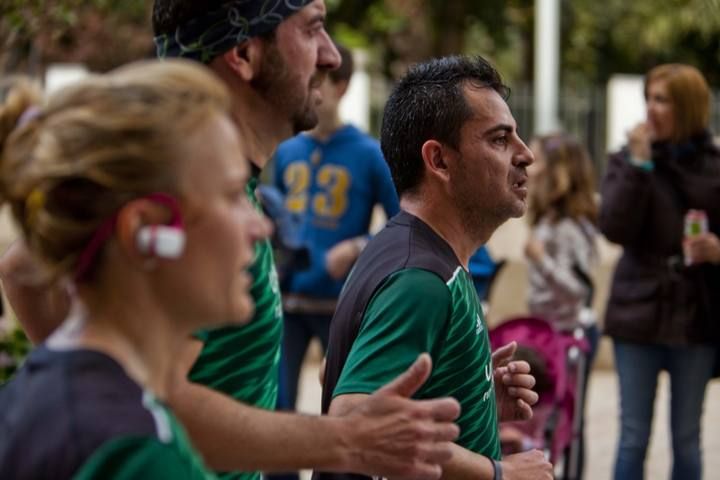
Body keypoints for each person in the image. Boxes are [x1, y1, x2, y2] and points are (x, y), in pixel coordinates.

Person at [0, 1, 462, 479]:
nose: (331, 56)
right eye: (312, 29)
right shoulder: (133, 447)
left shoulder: (69, 406)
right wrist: (346, 440)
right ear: (244, 53)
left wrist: (97, 382)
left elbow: (24, 272)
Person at [0, 59, 271, 479]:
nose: (260, 226)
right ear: (146, 231)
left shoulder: (46, 398)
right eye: (233, 194)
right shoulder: (137, 457)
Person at [317, 55, 553, 480]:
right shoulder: (421, 279)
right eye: (500, 139)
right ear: (439, 161)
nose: (526, 154)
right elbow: (353, 420)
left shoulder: (404, 250)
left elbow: (340, 371)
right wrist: (500, 474)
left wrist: (472, 397)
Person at [599, 63, 720, 480]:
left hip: (695, 315)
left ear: (687, 107)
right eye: (648, 97)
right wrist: (638, 165)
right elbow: (614, 227)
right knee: (633, 436)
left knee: (687, 438)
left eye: (662, 99)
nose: (651, 108)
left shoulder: (714, 165)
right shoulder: (628, 158)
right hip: (638, 310)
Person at [272, 43, 399, 412]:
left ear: (341, 86)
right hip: (288, 301)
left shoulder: (371, 153)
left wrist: (357, 247)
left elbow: (402, 226)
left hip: (341, 306)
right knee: (278, 405)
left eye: (319, 81)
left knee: (342, 405)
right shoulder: (286, 149)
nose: (310, 89)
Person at [524, 132, 599, 479]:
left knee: (570, 421)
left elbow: (580, 290)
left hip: (571, 335)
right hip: (548, 332)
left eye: (537, 160)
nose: (528, 166)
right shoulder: (548, 220)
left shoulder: (571, 227)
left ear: (558, 171)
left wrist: (542, 261)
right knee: (546, 421)